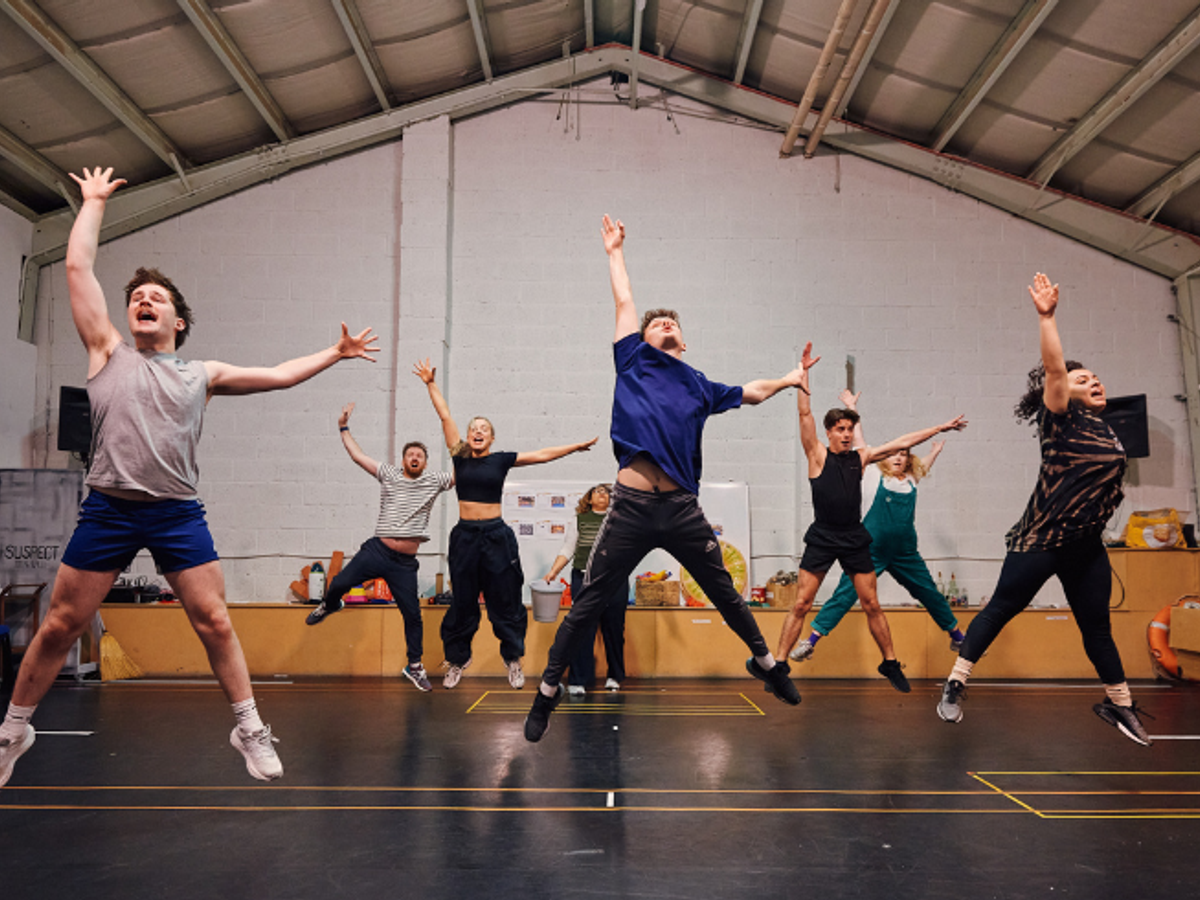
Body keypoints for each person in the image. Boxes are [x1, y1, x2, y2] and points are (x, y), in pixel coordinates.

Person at [0, 167, 379, 788]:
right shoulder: (106, 353)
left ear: (178, 321)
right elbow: (75, 271)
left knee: (214, 621)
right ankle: (14, 730)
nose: (142, 302)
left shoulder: (201, 373)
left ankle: (248, 726)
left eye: (156, 299)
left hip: (176, 511)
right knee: (60, 624)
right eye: (136, 299)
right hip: (109, 509)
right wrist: (92, 203)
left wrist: (332, 354)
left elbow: (280, 374)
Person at [524, 214, 808, 743]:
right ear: (646, 338)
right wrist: (614, 252)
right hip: (630, 506)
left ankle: (768, 665)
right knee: (587, 601)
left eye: (672, 322)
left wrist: (790, 379)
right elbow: (625, 302)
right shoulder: (632, 360)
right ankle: (546, 693)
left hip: (679, 508)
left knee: (723, 590)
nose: (665, 324)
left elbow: (752, 391)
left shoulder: (700, 385)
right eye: (658, 323)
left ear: (684, 340)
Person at [937, 273, 1150, 745]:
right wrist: (1047, 317)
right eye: (1082, 378)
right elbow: (1055, 371)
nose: (1092, 380)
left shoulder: (1108, 430)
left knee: (1097, 627)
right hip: (1042, 539)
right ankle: (955, 683)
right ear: (1063, 390)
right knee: (1002, 609)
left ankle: (1120, 705)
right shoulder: (1059, 417)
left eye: (1095, 376)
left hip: (1085, 546)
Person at [776, 346, 966, 693]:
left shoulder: (861, 458)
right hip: (822, 536)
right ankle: (779, 667)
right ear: (830, 432)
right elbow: (805, 416)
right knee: (802, 602)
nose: (847, 434)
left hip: (854, 537)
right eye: (841, 429)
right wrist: (803, 376)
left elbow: (903, 441)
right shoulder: (817, 455)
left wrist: (940, 428)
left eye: (850, 428)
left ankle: (890, 662)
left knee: (872, 603)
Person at [415, 359, 597, 690]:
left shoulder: (501, 460)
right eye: (474, 429)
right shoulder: (460, 456)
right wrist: (430, 383)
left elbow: (541, 455)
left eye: (484, 428)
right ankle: (457, 659)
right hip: (466, 537)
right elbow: (445, 416)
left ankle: (512, 658)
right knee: (463, 601)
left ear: (492, 437)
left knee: (505, 599)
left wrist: (575, 447)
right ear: (467, 438)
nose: (478, 431)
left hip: (497, 537)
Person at [303, 402, 454, 692]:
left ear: (425, 462)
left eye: (420, 455)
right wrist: (343, 427)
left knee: (412, 614)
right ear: (402, 460)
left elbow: (465, 474)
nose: (414, 457)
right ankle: (331, 605)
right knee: (339, 583)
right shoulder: (388, 474)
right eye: (410, 454)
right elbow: (358, 456)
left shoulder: (436, 480)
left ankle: (415, 667)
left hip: (404, 564)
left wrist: (475, 453)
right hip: (377, 551)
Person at [543, 484, 627, 695]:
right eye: (597, 491)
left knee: (614, 630)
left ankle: (614, 676)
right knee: (581, 630)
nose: (602, 494)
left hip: (614, 581)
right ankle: (579, 680)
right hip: (584, 579)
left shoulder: (621, 520)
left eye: (607, 492)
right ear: (589, 499)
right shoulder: (579, 520)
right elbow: (568, 548)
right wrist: (553, 571)